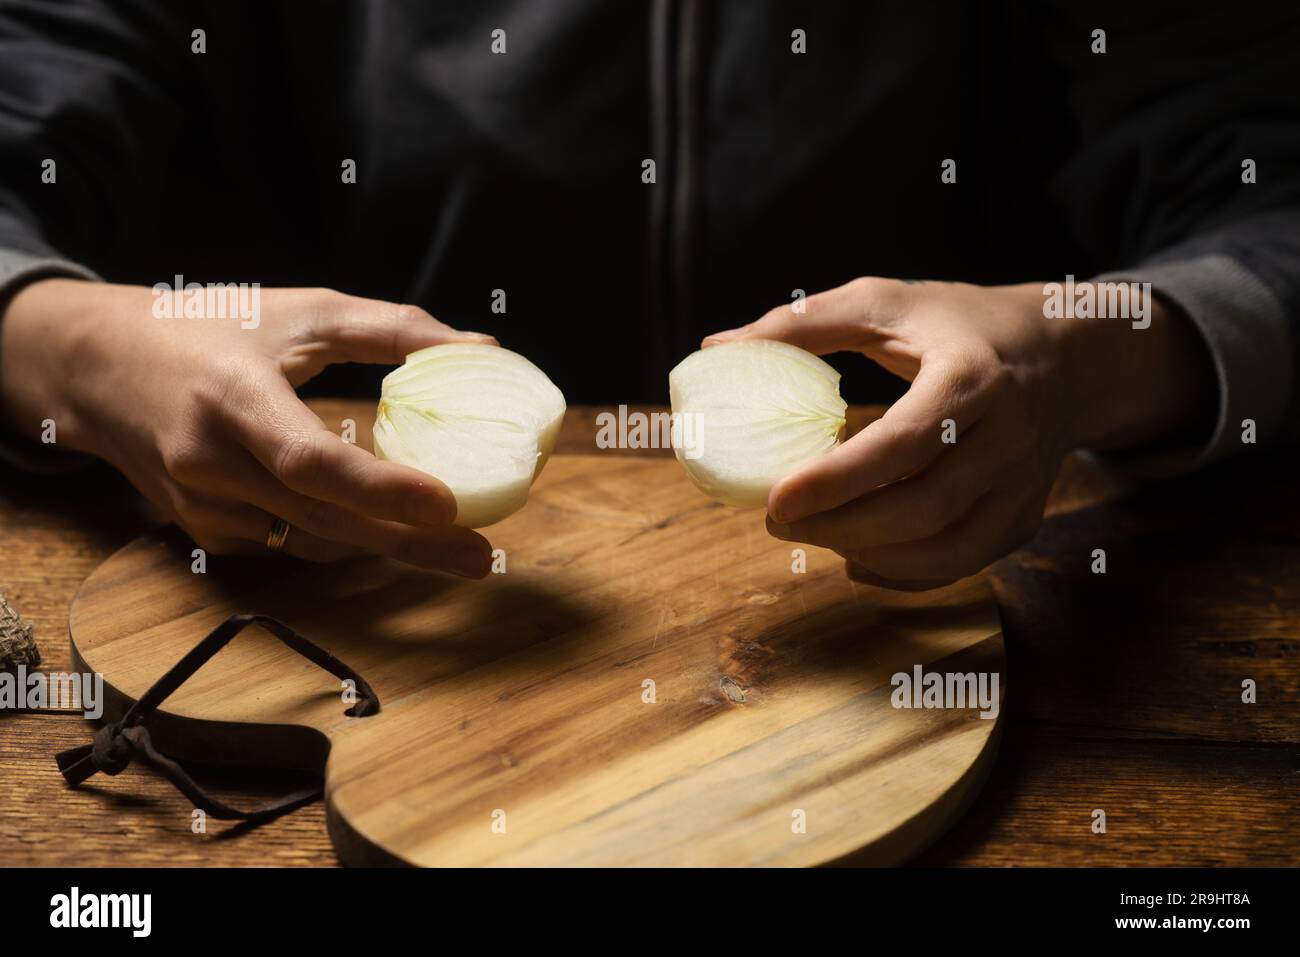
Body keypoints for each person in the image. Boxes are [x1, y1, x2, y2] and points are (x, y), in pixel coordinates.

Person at [1, 1, 1296, 590]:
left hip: (919, 601)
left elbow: (1272, 191)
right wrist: (73, 343)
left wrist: (1099, 350)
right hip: (361, 593)